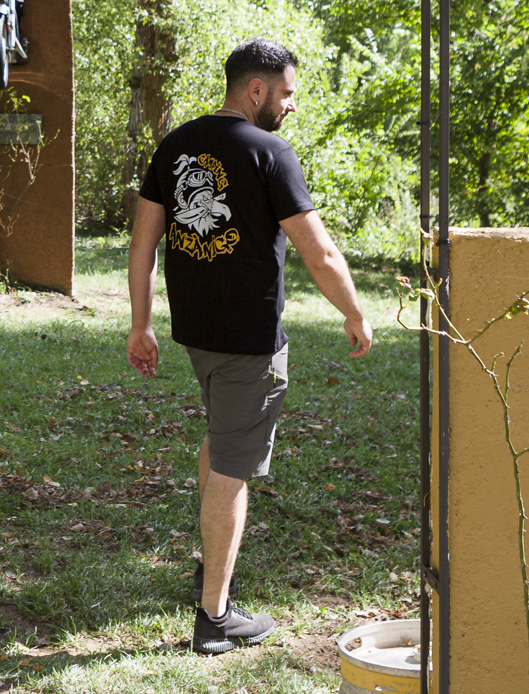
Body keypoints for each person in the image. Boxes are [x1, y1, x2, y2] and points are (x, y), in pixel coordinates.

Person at [124, 38, 374, 655]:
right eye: (286, 93)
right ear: (256, 90)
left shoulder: (175, 143)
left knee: (221, 438)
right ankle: (215, 617)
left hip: (198, 335)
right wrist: (355, 311)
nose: (291, 106)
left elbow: (142, 244)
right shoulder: (271, 153)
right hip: (250, 342)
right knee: (234, 467)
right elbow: (320, 251)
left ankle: (208, 571)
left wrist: (141, 324)